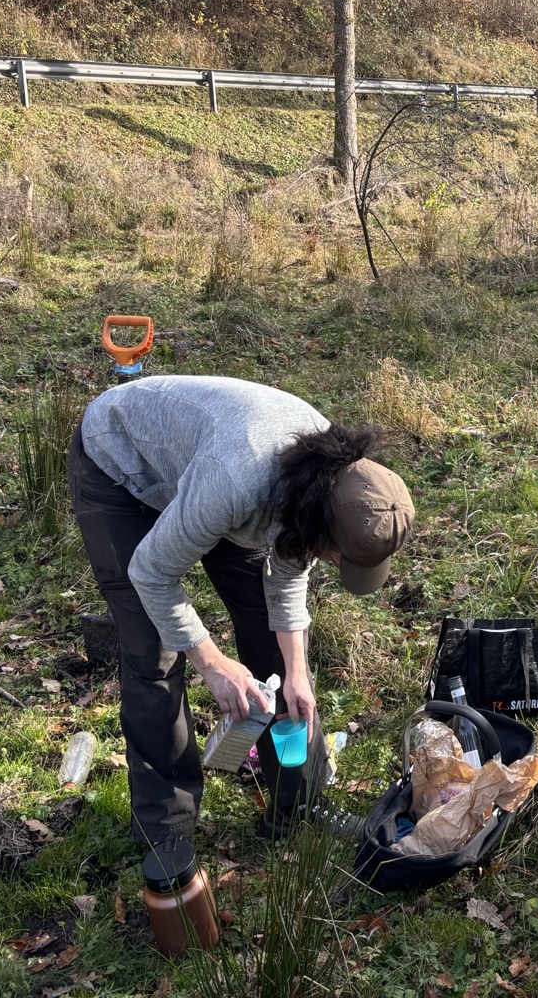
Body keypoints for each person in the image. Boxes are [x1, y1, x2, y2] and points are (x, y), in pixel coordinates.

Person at [67, 374, 414, 882]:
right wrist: (211, 662)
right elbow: (151, 572)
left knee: (277, 653)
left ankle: (298, 803)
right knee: (156, 649)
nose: (338, 566)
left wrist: (296, 670)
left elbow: (288, 575)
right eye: (341, 557)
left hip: (214, 482)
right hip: (121, 465)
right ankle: (168, 829)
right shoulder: (237, 480)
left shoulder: (326, 482)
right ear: (320, 521)